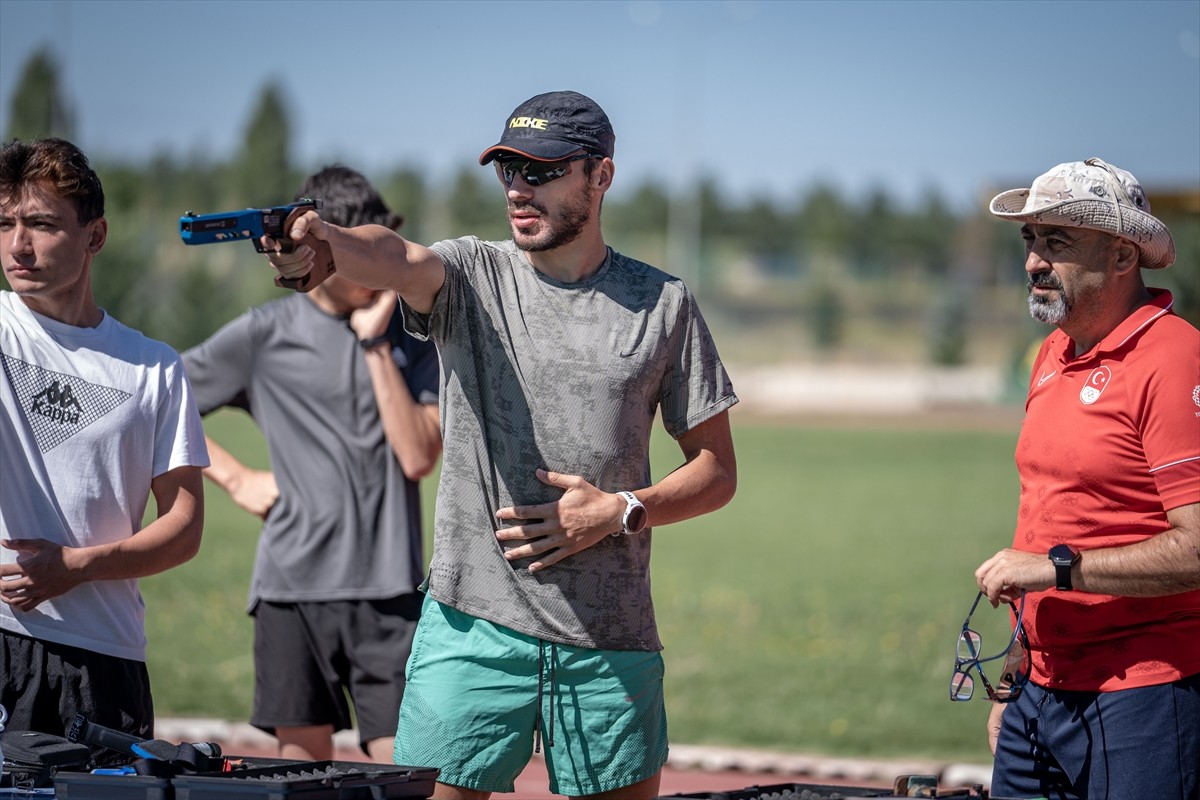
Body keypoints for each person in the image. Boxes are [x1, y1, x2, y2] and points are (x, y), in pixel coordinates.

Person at [263, 91, 738, 800]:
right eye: (507, 170)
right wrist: (325, 239)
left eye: (540, 172)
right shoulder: (469, 277)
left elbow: (717, 470)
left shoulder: (663, 303)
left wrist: (620, 511)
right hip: (472, 628)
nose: (518, 188)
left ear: (599, 176)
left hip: (609, 639)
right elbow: (396, 256)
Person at [181, 165, 441, 763]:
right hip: (291, 591)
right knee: (303, 783)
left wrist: (377, 344)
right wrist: (235, 476)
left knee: (409, 776)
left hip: (392, 593)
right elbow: (158, 401)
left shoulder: (412, 334)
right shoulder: (261, 334)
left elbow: (418, 455)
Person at [973, 158, 1200, 799]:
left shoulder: (1174, 356)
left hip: (1146, 694)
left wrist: (1056, 569)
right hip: (1040, 696)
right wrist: (1017, 676)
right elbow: (1047, 516)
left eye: (1058, 241)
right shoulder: (1052, 355)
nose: (1033, 262)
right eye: (1031, 241)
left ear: (1123, 256)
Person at [0, 137, 208, 760]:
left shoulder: (154, 368)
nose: (18, 244)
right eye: (4, 223)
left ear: (95, 236)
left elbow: (185, 526)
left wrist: (76, 567)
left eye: (40, 223)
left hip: (107, 661)